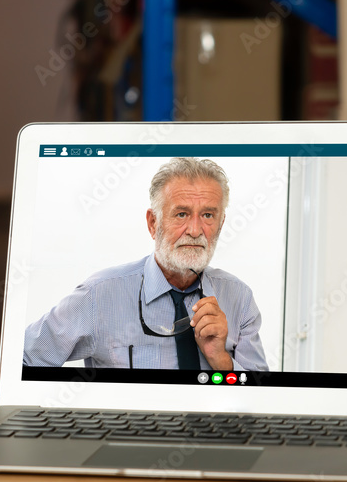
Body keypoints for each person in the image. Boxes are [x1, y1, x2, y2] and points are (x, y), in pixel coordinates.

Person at [23, 157, 267, 371]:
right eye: (181, 214)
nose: (195, 230)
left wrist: (220, 360)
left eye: (207, 215)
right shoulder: (99, 295)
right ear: (153, 223)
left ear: (221, 224)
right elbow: (23, 361)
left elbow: (262, 400)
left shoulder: (240, 300)